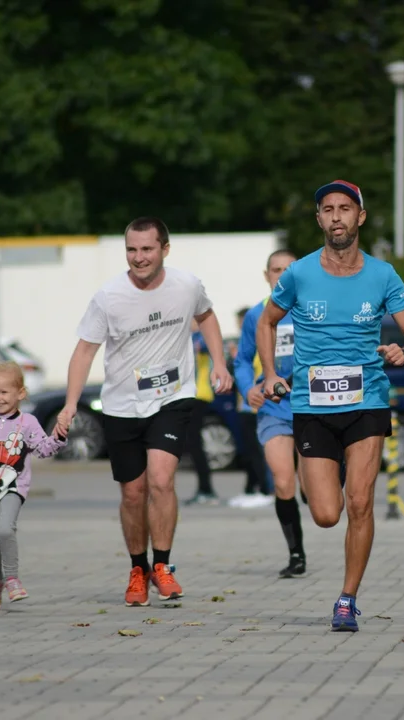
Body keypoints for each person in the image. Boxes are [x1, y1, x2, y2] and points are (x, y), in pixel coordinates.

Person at [258, 180, 404, 631]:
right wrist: (272, 374)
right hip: (312, 405)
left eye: (345, 208)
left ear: (360, 217)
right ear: (319, 220)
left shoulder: (383, 275)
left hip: (367, 399)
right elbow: (266, 322)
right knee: (327, 514)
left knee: (361, 502)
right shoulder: (299, 274)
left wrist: (403, 353)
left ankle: (347, 599)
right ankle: (330, 511)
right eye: (328, 209)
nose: (337, 217)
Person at [55, 216, 232, 608]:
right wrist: (70, 405)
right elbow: (85, 351)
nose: (139, 258)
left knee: (160, 480)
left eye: (147, 249)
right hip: (122, 405)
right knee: (133, 494)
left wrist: (219, 363)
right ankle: (139, 569)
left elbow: (206, 316)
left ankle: (164, 565)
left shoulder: (186, 285)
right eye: (132, 250)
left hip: (172, 397)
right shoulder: (108, 297)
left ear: (164, 249)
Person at [0, 362, 67, 609]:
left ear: (20, 393)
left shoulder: (28, 422)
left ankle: (13, 578)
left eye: (4, 392)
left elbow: (43, 449)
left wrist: (58, 437)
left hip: (14, 485)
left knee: (5, 530)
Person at [235, 249, 308, 576]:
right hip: (274, 408)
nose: (281, 275)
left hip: (312, 405)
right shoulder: (257, 315)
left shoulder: (312, 309)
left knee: (317, 494)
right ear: (267, 276)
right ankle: (296, 555)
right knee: (282, 482)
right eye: (275, 270)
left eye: (287, 269)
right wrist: (248, 387)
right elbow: (240, 362)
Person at [229, 306, 274, 508]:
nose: (240, 325)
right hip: (245, 406)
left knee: (257, 452)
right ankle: (250, 489)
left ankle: (266, 489)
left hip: (256, 407)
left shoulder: (259, 348)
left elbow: (255, 371)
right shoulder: (245, 346)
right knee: (249, 452)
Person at [183, 320, 220, 506]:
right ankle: (204, 488)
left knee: (195, 443)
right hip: (190, 395)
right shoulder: (188, 337)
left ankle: (207, 489)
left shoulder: (200, 338)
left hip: (199, 394)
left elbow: (207, 347)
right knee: (193, 444)